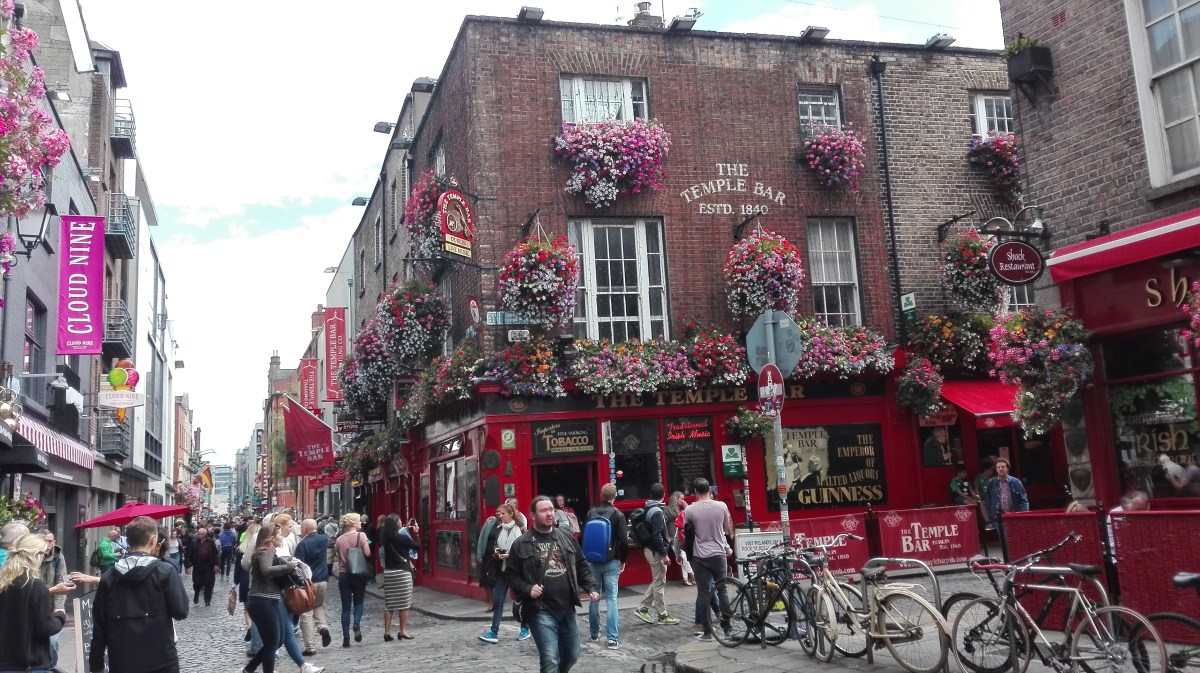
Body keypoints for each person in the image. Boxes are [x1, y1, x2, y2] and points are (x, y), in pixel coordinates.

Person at [503, 495, 599, 673]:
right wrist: (528, 589)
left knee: (572, 655)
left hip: (567, 608)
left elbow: (581, 564)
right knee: (550, 659)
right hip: (541, 610)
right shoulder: (521, 544)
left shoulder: (566, 537)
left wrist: (591, 587)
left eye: (551, 510)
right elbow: (511, 575)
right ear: (533, 515)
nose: (549, 514)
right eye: (543, 511)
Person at [90, 516, 189, 673]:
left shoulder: (109, 577)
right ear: (153, 539)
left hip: (122, 660)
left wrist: (96, 665)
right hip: (161, 658)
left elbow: (99, 625)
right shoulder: (165, 572)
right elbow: (181, 611)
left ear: (128, 540)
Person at [243, 523, 324, 673]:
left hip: (269, 600)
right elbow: (266, 570)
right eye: (279, 534)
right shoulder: (265, 551)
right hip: (263, 600)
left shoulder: (269, 551)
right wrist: (289, 566)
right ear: (271, 537)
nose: (282, 537)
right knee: (272, 643)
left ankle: (249, 669)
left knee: (277, 641)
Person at [0, 533, 67, 672]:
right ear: (35, 555)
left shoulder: (3, 582)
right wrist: (60, 616)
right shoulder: (35, 585)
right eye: (42, 553)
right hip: (28, 663)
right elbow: (45, 627)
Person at [683, 478, 734, 642]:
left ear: (695, 492)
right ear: (710, 490)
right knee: (722, 590)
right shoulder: (722, 506)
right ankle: (727, 629)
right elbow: (726, 529)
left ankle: (707, 631)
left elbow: (687, 531)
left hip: (700, 556)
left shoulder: (690, 510)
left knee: (704, 593)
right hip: (718, 554)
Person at [478, 502, 531, 644]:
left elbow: (524, 551)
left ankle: (525, 629)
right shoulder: (499, 528)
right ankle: (493, 632)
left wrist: (509, 555)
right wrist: (497, 552)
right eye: (499, 513)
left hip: (517, 571)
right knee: (498, 601)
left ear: (511, 514)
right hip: (502, 570)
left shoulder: (519, 529)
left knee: (521, 599)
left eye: (503, 513)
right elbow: (496, 545)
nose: (500, 516)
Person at [584, 483, 628, 649]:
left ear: (601, 495)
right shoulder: (618, 514)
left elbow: (584, 537)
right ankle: (612, 639)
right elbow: (624, 541)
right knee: (611, 599)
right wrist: (623, 560)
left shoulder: (590, 513)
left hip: (592, 560)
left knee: (594, 597)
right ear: (615, 496)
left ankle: (594, 634)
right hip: (611, 561)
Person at [633, 483, 679, 626]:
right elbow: (657, 535)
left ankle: (643, 608)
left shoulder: (649, 508)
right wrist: (664, 554)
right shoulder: (657, 512)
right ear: (664, 495)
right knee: (659, 583)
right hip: (656, 552)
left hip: (650, 550)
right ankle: (662, 615)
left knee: (658, 581)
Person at [379, 514, 420, 641]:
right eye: (400, 520)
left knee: (389, 605)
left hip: (389, 573)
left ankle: (387, 632)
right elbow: (417, 546)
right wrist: (416, 533)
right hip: (402, 573)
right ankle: (403, 631)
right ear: (397, 523)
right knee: (404, 604)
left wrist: (406, 529)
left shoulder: (385, 538)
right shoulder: (401, 537)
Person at [294, 519, 333, 653]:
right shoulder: (323, 539)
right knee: (317, 605)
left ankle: (310, 647)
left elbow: (298, 566)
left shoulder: (302, 544)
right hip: (323, 580)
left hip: (309, 582)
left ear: (305, 529)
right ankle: (323, 627)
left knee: (306, 613)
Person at [334, 512, 372, 648]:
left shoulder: (339, 539)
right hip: (358, 573)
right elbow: (367, 553)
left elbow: (338, 555)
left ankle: (346, 638)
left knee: (345, 607)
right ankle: (356, 623)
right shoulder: (361, 536)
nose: (361, 523)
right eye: (358, 521)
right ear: (353, 523)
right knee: (359, 602)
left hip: (344, 574)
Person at [39, 531, 74, 669]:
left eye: (50, 541)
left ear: (54, 542)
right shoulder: (33, 556)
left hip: (51, 607)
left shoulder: (58, 557)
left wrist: (59, 607)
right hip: (35, 605)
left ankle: (52, 667)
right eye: (44, 541)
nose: (47, 544)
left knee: (52, 642)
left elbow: (62, 581)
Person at [984, 457, 1030, 523]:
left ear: (1007, 468)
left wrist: (1024, 515)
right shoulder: (991, 483)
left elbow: (1024, 500)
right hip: (998, 517)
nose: (1000, 469)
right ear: (996, 469)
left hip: (1014, 515)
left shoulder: (1016, 482)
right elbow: (988, 500)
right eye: (998, 467)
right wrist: (990, 515)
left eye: (1003, 467)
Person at [185, 524, 220, 606]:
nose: (199, 536)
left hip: (208, 566)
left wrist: (216, 564)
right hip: (197, 566)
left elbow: (215, 553)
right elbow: (188, 554)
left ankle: (207, 600)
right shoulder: (193, 542)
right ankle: (196, 594)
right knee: (197, 582)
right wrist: (188, 566)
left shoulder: (210, 542)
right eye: (198, 534)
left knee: (209, 583)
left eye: (201, 534)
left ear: (205, 535)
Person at [668, 491, 695, 586]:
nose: (683, 501)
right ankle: (692, 574)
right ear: (676, 499)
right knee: (682, 555)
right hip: (673, 536)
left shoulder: (683, 509)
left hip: (682, 535)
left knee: (683, 556)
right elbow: (664, 524)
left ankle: (685, 578)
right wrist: (667, 537)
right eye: (681, 499)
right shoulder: (667, 510)